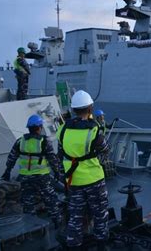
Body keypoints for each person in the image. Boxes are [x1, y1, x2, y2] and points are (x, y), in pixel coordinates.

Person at [57, 90, 109, 250]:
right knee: (100, 213)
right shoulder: (94, 130)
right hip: (94, 180)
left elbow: (61, 152)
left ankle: (74, 245)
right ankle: (101, 245)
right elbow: (105, 149)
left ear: (73, 109)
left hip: (73, 180)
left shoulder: (63, 130)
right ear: (90, 108)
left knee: (76, 215)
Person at [1, 114, 61, 227]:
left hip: (24, 177)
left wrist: (7, 170)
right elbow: (53, 159)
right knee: (50, 200)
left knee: (28, 202)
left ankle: (32, 225)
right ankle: (57, 222)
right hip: (41, 177)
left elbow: (12, 157)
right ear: (39, 127)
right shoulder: (44, 142)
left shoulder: (20, 141)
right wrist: (57, 172)